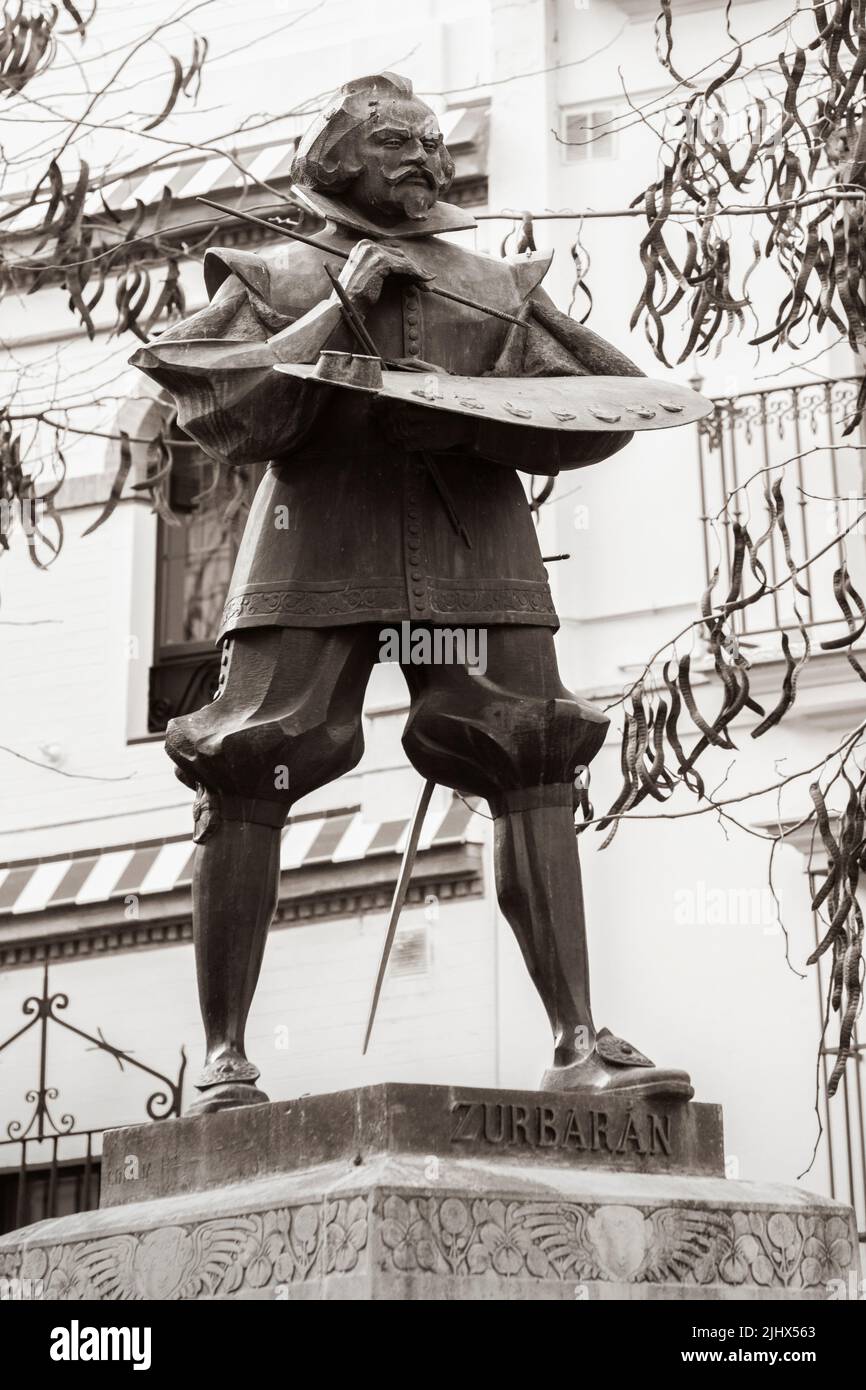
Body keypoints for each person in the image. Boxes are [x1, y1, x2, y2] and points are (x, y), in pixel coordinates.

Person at [132, 71, 692, 1111]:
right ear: (341, 157)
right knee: (251, 753)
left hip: (469, 537)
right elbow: (213, 399)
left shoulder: (485, 282)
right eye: (397, 141)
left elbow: (607, 401)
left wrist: (474, 420)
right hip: (316, 537)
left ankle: (576, 1040)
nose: (424, 159)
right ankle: (224, 1060)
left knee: (528, 748)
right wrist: (343, 304)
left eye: (432, 143)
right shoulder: (274, 274)